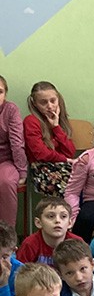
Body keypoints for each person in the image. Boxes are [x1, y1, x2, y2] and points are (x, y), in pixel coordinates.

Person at [23, 81, 75, 198]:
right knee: (69, 185)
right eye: (43, 102)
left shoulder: (60, 121)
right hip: (41, 169)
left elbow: (70, 152)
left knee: (89, 180)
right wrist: (65, 159)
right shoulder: (31, 121)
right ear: (35, 104)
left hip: (63, 165)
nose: (50, 106)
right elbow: (40, 153)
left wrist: (56, 127)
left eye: (53, 101)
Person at [17, 196, 80, 265]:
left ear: (70, 223)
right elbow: (19, 270)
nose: (57, 220)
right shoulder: (29, 244)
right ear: (38, 223)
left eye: (63, 216)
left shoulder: (77, 243)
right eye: (51, 216)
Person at [0, 76, 27, 229]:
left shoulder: (10, 110)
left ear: (5, 94)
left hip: (6, 160)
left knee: (6, 181)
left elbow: (17, 142)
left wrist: (22, 171)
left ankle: (7, 235)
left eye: (0, 92)